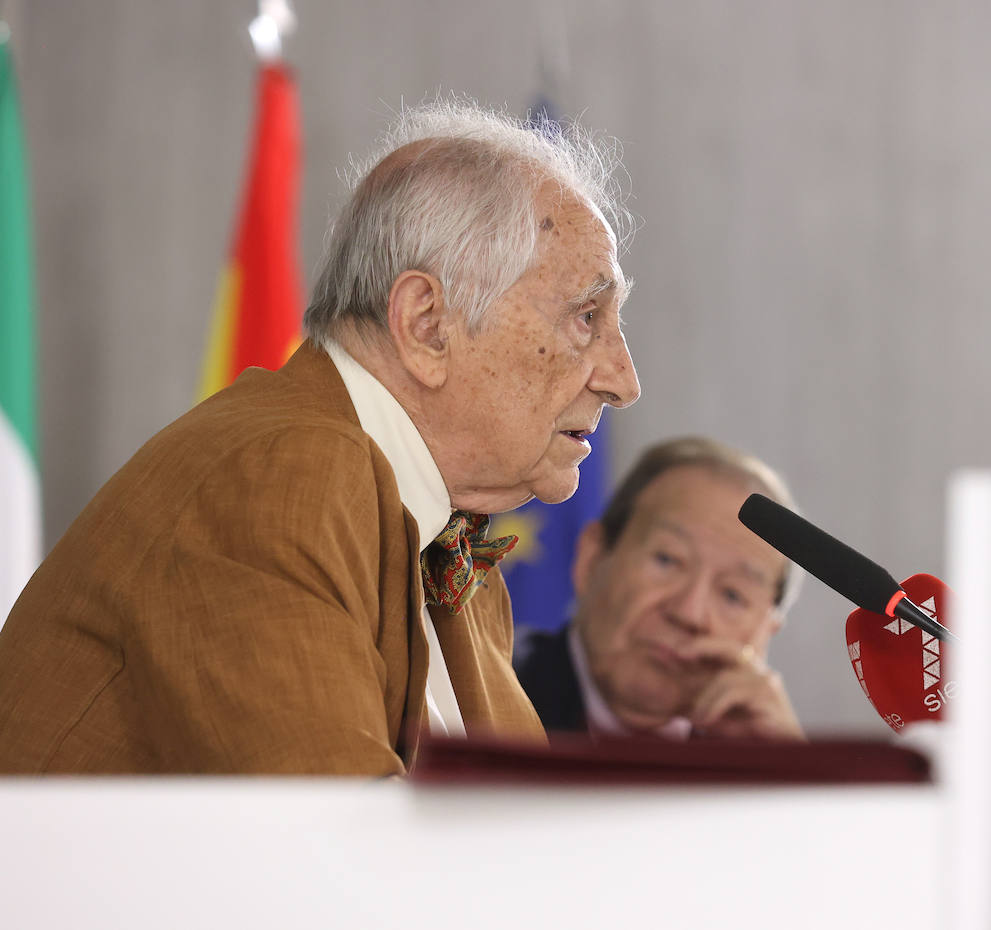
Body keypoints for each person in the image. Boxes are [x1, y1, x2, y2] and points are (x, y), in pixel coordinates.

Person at [0, 100, 640, 774]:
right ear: (426, 324)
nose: (623, 380)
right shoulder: (279, 474)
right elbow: (337, 853)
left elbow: (513, 840)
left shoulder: (447, 541)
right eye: (586, 317)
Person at [514, 437, 804, 741]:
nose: (689, 613)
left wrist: (785, 774)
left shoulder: (763, 752)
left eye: (733, 595)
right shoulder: (480, 698)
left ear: (764, 635)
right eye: (668, 560)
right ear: (592, 559)